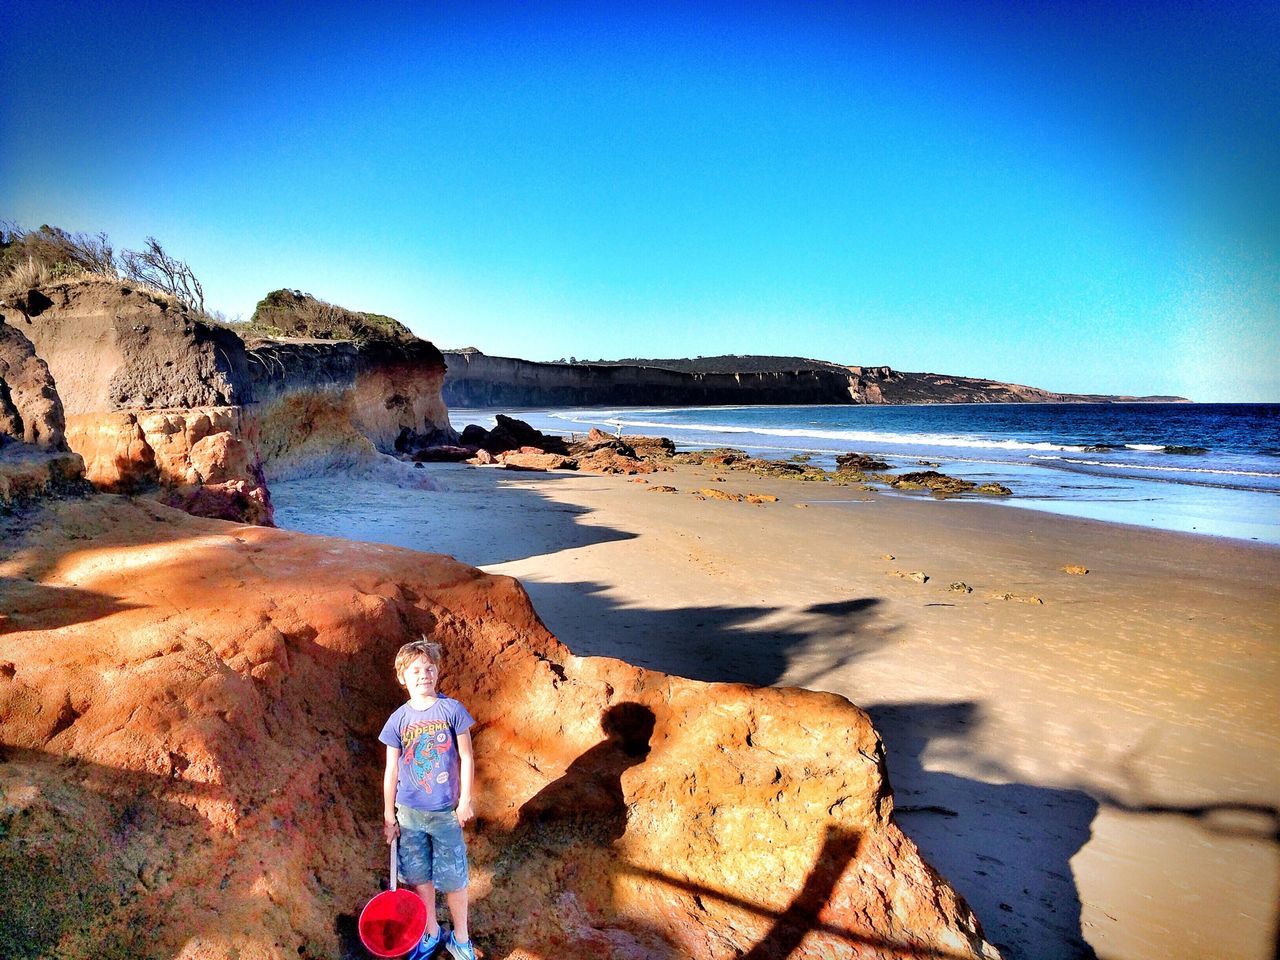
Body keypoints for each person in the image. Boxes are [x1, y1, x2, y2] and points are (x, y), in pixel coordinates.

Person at [380, 639, 477, 960]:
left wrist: (465, 801)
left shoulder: (452, 710)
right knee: (419, 876)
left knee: (453, 877)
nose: (424, 674)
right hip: (408, 814)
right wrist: (388, 815)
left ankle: (460, 938)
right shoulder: (397, 720)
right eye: (416, 670)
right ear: (402, 677)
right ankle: (431, 930)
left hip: (445, 813)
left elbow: (466, 757)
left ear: (438, 672)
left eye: (430, 668)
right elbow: (391, 769)